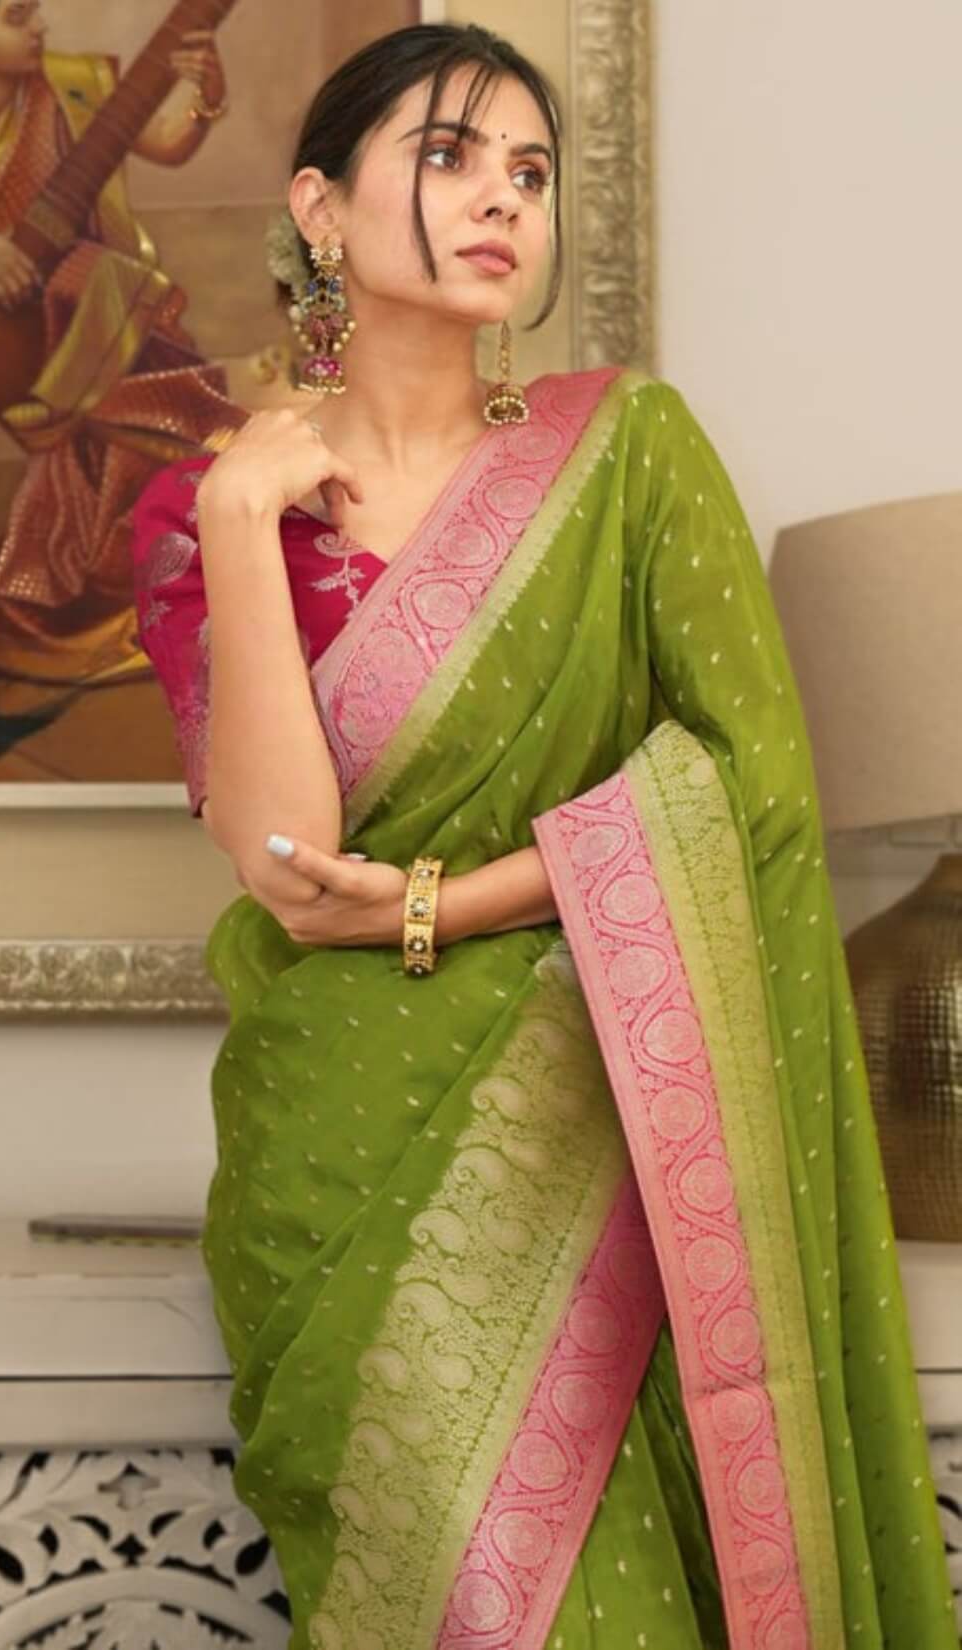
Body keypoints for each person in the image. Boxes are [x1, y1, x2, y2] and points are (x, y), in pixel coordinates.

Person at [131, 23, 956, 1650]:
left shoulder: (631, 453)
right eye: (447, 157)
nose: (504, 197)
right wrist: (236, 513)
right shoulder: (210, 507)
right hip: (335, 1140)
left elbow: (740, 779)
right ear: (319, 207)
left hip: (606, 1114)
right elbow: (286, 860)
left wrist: (442, 901)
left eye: (529, 169)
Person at [0, 0, 239, 750]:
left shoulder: (72, 87)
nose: (38, 28)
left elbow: (164, 144)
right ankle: (56, 657)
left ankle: (64, 660)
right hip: (25, 340)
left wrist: (206, 96)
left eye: (35, 12)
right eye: (16, 17)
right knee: (135, 459)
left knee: (135, 468)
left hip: (108, 314)